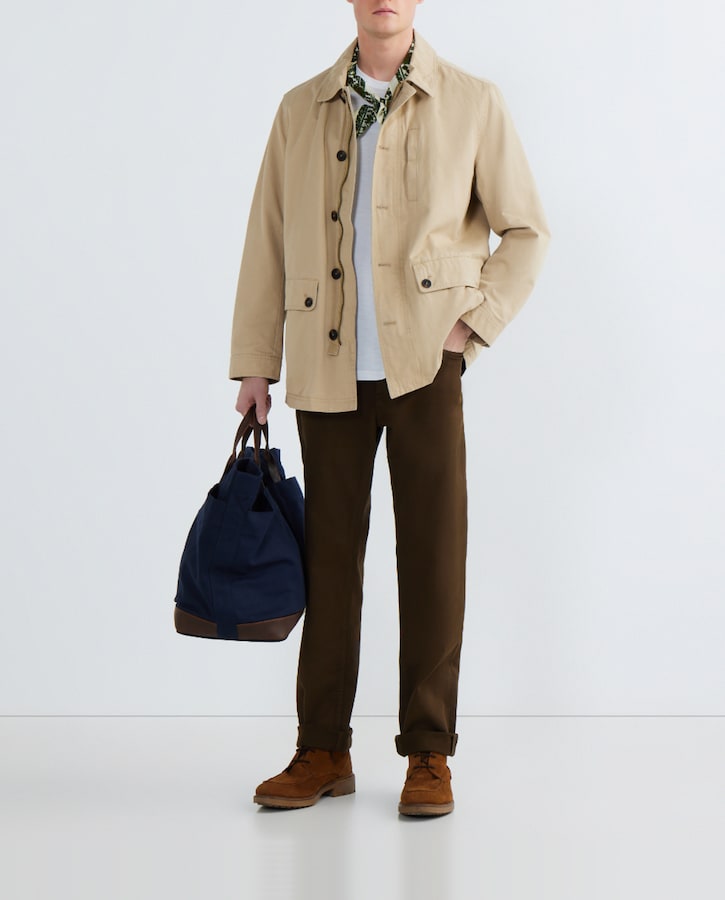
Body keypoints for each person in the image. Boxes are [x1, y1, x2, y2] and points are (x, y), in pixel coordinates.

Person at [230, 0, 550, 817]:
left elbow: (526, 231)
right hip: (325, 361)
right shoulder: (301, 107)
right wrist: (257, 362)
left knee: (433, 557)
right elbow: (267, 236)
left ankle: (428, 752)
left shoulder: (471, 101)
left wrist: (470, 325)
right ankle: (321, 749)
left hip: (423, 366)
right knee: (328, 561)